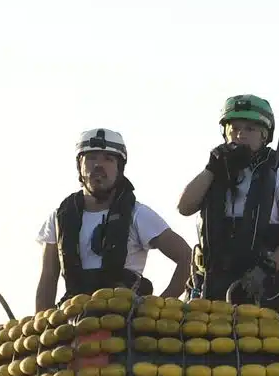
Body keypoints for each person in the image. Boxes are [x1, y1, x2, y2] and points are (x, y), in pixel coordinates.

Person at [35, 128, 192, 311]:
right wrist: (42, 328)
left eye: (108, 159)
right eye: (92, 157)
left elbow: (186, 257)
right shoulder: (59, 218)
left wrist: (158, 307)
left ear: (119, 168)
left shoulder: (138, 214)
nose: (98, 165)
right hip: (74, 323)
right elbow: (48, 277)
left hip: (126, 326)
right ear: (80, 165)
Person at [175, 94, 279, 313]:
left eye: (249, 129)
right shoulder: (212, 177)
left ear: (264, 135)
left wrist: (265, 270)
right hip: (213, 289)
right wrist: (211, 168)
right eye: (233, 129)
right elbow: (184, 207)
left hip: (263, 292)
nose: (240, 135)